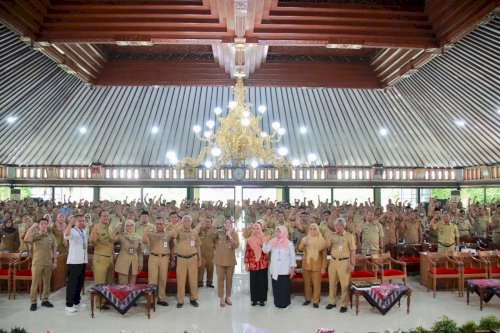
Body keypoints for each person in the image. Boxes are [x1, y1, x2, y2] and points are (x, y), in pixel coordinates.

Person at [24, 218, 57, 311]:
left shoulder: (51, 236)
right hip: (37, 263)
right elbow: (26, 239)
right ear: (39, 225)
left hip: (48, 263)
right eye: (42, 223)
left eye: (46, 224)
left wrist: (55, 261)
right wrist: (32, 227)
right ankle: (33, 302)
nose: (44, 225)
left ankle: (45, 300)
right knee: (35, 283)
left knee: (47, 283)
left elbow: (54, 249)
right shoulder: (35, 235)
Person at [142, 216, 175, 306]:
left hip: (164, 258)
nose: (159, 225)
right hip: (153, 257)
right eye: (157, 224)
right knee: (152, 279)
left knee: (163, 279)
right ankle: (151, 300)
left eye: (161, 224)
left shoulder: (168, 234)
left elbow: (173, 243)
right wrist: (146, 230)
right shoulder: (151, 233)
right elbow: (144, 241)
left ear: (164, 224)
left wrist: (174, 224)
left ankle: (161, 299)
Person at [325, 218, 356, 313]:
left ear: (343, 226)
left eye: (338, 225)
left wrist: (352, 264)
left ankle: (344, 304)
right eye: (335, 225)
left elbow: (353, 251)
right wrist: (328, 239)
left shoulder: (349, 236)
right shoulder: (332, 235)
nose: (336, 227)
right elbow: (327, 247)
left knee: (344, 284)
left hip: (344, 262)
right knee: (332, 283)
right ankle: (332, 302)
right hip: (333, 261)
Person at [262, 225, 296, 309]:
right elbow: (265, 250)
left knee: (284, 287)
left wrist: (292, 268)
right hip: (275, 269)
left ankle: (285, 303)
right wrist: (265, 242)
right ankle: (277, 303)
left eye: (279, 231)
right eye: (276, 231)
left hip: (285, 269)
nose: (277, 233)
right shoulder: (273, 241)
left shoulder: (289, 243)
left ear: (283, 232)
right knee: (276, 287)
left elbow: (292, 257)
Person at [89, 210, 115, 309]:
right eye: (104, 216)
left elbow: (111, 242)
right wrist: (94, 231)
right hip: (100, 258)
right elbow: (91, 241)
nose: (106, 217)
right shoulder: (96, 227)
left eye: (107, 216)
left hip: (109, 258)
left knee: (109, 282)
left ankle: (106, 299)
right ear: (100, 217)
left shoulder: (109, 227)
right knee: (100, 282)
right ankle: (99, 303)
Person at [174, 215, 201, 308]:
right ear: (182, 222)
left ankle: (193, 298)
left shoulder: (194, 233)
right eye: (184, 221)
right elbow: (173, 235)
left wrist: (199, 258)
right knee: (181, 280)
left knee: (193, 280)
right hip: (181, 259)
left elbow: (198, 247)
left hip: (193, 258)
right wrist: (177, 225)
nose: (186, 223)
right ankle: (180, 300)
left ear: (191, 223)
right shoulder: (178, 231)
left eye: (188, 221)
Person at [297, 223, 327, 308]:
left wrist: (324, 267)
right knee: (307, 284)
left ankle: (315, 301)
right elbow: (299, 248)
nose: (312, 231)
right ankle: (307, 299)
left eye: (314, 229)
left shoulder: (322, 241)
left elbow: (324, 255)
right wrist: (304, 243)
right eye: (311, 229)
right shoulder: (305, 239)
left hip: (317, 266)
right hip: (307, 265)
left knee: (316, 284)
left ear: (317, 230)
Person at [63, 214, 88, 313]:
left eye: (83, 220)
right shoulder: (73, 230)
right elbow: (66, 235)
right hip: (74, 261)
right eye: (79, 221)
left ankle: (77, 301)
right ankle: (68, 304)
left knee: (80, 282)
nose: (82, 222)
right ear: (75, 222)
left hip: (83, 260)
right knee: (72, 283)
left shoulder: (84, 231)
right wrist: (70, 223)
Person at [214, 217, 239, 307]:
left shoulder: (234, 234)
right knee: (220, 280)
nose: (228, 224)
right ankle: (221, 298)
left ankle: (227, 297)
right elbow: (210, 238)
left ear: (232, 225)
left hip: (230, 261)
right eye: (226, 223)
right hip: (219, 260)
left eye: (230, 223)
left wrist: (230, 235)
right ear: (224, 224)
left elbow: (236, 245)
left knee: (229, 280)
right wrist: (214, 225)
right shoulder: (218, 233)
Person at [244, 221, 269, 306]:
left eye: (257, 228)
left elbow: (266, 251)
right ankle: (254, 300)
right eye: (254, 229)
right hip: (253, 264)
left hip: (262, 263)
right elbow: (247, 252)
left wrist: (264, 242)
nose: (255, 230)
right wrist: (246, 264)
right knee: (253, 282)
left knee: (262, 282)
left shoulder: (263, 238)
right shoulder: (249, 240)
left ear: (260, 229)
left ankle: (262, 300)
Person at [113, 220, 143, 285]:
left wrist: (140, 263)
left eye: (131, 225)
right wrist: (117, 230)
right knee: (122, 284)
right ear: (125, 227)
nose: (130, 227)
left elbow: (140, 252)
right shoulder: (121, 236)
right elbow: (112, 239)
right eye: (128, 225)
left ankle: (131, 295)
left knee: (132, 284)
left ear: (134, 226)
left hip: (134, 263)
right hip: (123, 262)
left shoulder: (138, 237)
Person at [198, 217, 216, 288]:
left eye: (209, 222)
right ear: (204, 222)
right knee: (200, 270)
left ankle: (209, 282)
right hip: (201, 255)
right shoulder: (200, 230)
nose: (207, 223)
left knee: (210, 270)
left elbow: (216, 242)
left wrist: (216, 252)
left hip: (210, 255)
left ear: (211, 223)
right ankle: (199, 282)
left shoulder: (214, 232)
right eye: (206, 221)